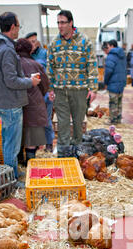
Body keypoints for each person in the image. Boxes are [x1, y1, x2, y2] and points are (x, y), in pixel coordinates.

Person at [0, 12, 41, 188]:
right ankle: (11, 179)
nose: (19, 29)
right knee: (12, 144)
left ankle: (12, 172)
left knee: (7, 140)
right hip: (11, 102)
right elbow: (11, 80)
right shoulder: (7, 49)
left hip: (4, 100)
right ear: (12, 27)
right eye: (18, 26)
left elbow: (6, 76)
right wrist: (30, 82)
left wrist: (25, 78)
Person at [47, 10, 98, 157]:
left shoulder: (84, 41)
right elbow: (50, 67)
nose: (60, 26)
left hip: (80, 90)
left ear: (71, 23)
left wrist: (93, 88)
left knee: (78, 122)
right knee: (62, 123)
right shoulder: (54, 43)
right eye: (58, 23)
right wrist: (50, 88)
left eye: (63, 22)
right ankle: (63, 154)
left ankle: (76, 151)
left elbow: (92, 65)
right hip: (60, 90)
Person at [15, 38, 49, 164]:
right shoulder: (35, 64)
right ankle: (30, 163)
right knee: (32, 135)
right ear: (29, 50)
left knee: (18, 134)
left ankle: (18, 161)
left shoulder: (12, 64)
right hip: (34, 103)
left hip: (17, 104)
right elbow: (45, 84)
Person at [25, 31, 55, 153]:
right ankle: (36, 145)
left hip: (44, 93)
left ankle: (49, 144)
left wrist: (51, 90)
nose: (34, 44)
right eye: (31, 42)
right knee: (33, 122)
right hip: (31, 95)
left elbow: (51, 72)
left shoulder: (44, 54)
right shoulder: (25, 56)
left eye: (35, 41)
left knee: (46, 120)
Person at [104, 40, 127, 124]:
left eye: (108, 46)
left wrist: (105, 82)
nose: (108, 48)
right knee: (119, 102)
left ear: (112, 46)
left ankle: (112, 120)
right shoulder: (122, 54)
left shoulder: (111, 56)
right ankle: (118, 119)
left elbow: (108, 71)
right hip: (121, 82)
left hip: (113, 82)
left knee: (113, 102)